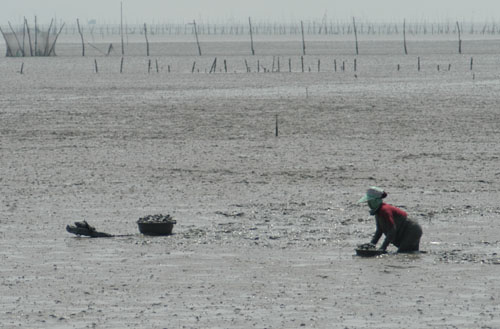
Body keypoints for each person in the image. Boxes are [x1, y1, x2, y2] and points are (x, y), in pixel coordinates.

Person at [358, 186, 422, 253]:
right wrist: (372, 244)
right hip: (406, 231)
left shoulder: (385, 210)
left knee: (402, 252)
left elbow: (392, 230)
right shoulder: (378, 212)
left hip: (412, 230)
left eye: (370, 201)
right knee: (411, 252)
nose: (368, 204)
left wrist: (383, 247)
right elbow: (379, 231)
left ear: (376, 200)